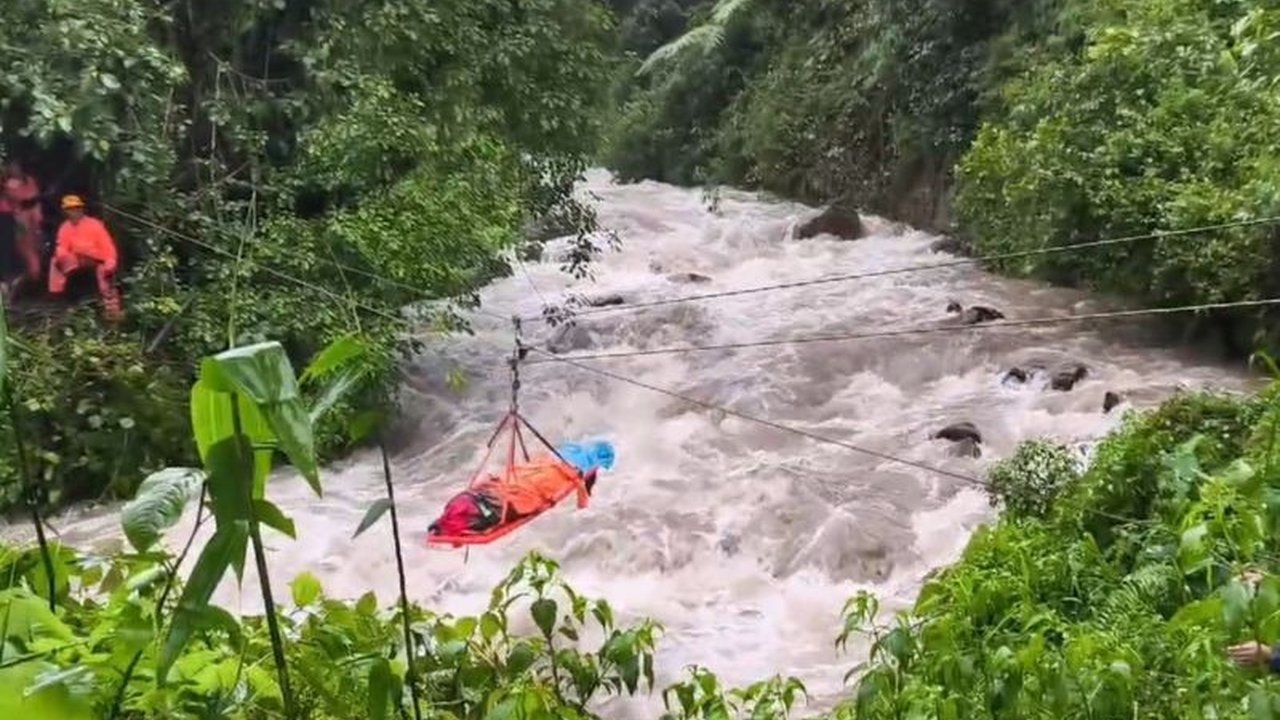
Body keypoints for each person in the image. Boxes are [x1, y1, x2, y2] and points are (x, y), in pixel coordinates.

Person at [428, 439, 615, 538]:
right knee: (515, 491)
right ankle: (461, 515)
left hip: (522, 481)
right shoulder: (576, 469)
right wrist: (581, 489)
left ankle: (459, 515)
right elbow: (582, 504)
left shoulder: (563, 456)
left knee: (510, 485)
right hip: (522, 489)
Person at [48, 195, 123, 322]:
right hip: (76, 260)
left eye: (76, 208)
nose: (74, 211)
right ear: (65, 212)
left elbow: (107, 246)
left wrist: (111, 260)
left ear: (81, 209)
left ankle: (111, 311)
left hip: (97, 259)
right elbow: (62, 246)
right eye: (70, 209)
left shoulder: (95, 225)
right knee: (55, 262)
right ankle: (59, 297)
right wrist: (63, 256)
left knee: (105, 275)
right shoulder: (65, 227)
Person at [1, 162, 45, 299]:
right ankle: (15, 287)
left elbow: (35, 200)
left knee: (37, 250)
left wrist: (37, 217)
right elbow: (19, 200)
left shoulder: (29, 180)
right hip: (19, 220)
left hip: (33, 218)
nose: (15, 169)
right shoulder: (9, 185)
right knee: (26, 256)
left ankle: (28, 287)